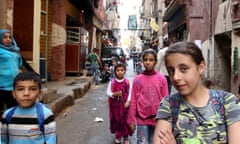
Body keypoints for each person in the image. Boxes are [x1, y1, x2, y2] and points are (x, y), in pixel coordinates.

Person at [153, 41, 240, 144]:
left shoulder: (227, 102)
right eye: (171, 71)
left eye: (184, 69)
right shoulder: (169, 105)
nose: (176, 77)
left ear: (201, 67)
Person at [1, 71, 57, 144]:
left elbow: (51, 140)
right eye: (20, 89)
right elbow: (2, 140)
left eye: (32, 89)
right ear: (14, 94)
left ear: (39, 93)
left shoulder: (45, 115)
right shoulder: (7, 115)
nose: (26, 93)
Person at [127, 49, 169, 144]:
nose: (148, 62)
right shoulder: (138, 80)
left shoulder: (161, 79)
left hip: (157, 120)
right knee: (142, 142)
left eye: (151, 60)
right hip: (142, 119)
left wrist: (166, 120)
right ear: (142, 61)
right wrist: (131, 119)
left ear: (155, 61)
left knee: (155, 141)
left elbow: (166, 101)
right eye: (145, 60)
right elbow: (133, 100)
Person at [106, 63, 132, 144]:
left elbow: (131, 92)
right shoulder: (112, 82)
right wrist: (114, 94)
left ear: (124, 71)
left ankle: (125, 137)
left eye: (122, 70)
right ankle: (118, 136)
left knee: (125, 121)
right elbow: (108, 92)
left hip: (125, 106)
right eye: (118, 70)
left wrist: (128, 101)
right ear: (115, 72)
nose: (120, 72)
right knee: (117, 121)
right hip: (115, 107)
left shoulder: (127, 82)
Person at [0, 29, 23, 113]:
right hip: (1, 84)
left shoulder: (14, 50)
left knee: (13, 109)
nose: (8, 39)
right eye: (5, 37)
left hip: (13, 84)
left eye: (10, 37)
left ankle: (10, 125)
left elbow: (18, 65)